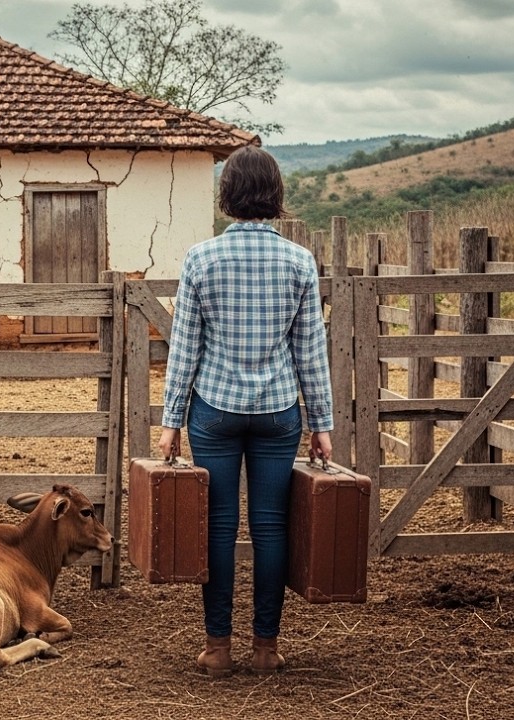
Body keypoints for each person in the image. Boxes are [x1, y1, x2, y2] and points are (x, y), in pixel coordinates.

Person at [157, 144, 333, 678]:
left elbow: (185, 347)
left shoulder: (201, 258)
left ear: (227, 195)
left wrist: (170, 422)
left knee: (219, 529)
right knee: (271, 528)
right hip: (279, 411)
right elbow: (310, 351)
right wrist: (321, 424)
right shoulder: (300, 261)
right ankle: (266, 648)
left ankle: (217, 649)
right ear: (275, 196)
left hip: (214, 409)